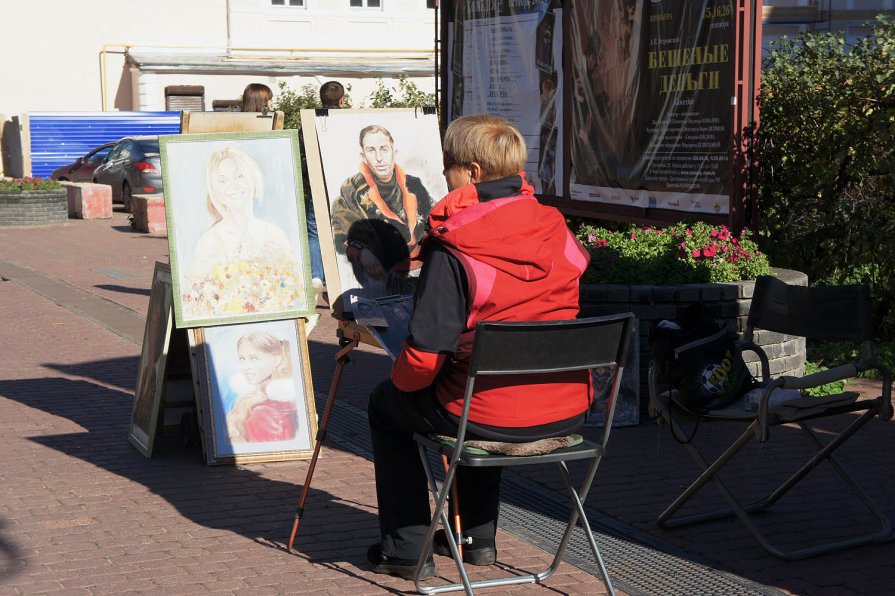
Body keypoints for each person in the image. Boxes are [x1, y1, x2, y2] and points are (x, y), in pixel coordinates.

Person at [365, 115, 592, 580]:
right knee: (482, 379)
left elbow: (425, 357)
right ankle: (477, 539)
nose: (443, 176)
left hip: (486, 411)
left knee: (389, 404)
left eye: (447, 166)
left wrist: (400, 378)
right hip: (567, 407)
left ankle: (407, 549)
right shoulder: (557, 229)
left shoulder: (454, 247)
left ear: (471, 172)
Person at [187, 146, 302, 313]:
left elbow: (295, 290)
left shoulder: (274, 234)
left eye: (240, 176)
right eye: (222, 180)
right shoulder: (210, 241)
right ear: (215, 190)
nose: (233, 186)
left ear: (253, 179)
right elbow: (200, 302)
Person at [330, 124, 435, 296]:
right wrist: (361, 252)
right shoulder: (352, 190)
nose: (379, 158)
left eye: (384, 149)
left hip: (418, 273)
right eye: (371, 151)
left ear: (394, 152)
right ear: (363, 156)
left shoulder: (415, 186)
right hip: (376, 278)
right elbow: (341, 236)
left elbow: (433, 223)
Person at [226, 331, 298, 443]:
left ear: (276, 360)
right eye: (242, 359)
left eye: (254, 358)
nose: (246, 367)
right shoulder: (256, 400)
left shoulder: (263, 412)